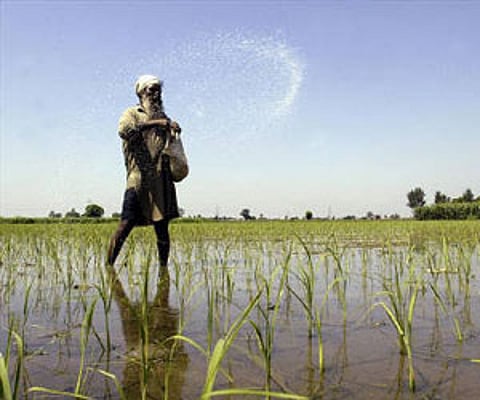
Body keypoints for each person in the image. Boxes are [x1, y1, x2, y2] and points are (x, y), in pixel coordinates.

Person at [108, 75, 184, 268]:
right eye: (151, 89)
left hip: (161, 179)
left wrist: (173, 131)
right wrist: (156, 124)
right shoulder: (132, 113)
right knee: (126, 224)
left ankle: (163, 272)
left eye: (158, 89)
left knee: (162, 229)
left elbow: (168, 147)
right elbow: (125, 131)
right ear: (141, 92)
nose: (156, 93)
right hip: (138, 178)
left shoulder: (164, 117)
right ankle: (108, 268)